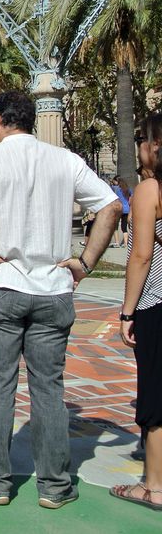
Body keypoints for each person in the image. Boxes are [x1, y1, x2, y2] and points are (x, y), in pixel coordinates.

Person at [0, 90, 120, 509]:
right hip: (53, 289)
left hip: (2, 286)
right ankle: (55, 485)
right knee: (49, 388)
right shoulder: (64, 159)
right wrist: (84, 262)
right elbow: (110, 205)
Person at [112, 114, 162, 510]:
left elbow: (141, 255)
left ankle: (154, 486)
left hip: (157, 304)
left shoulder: (150, 190)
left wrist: (128, 311)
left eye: (143, 139)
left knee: (155, 396)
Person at [111, 177, 132, 248]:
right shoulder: (128, 190)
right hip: (127, 210)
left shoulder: (116, 189)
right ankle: (126, 244)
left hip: (119, 209)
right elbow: (131, 199)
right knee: (124, 227)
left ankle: (117, 243)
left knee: (115, 226)